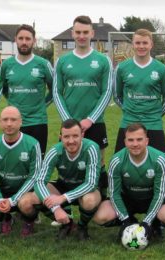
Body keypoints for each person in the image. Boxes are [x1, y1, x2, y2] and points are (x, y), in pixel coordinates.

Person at [53, 15, 112, 197]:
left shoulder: (103, 60)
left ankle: (101, 200)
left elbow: (107, 92)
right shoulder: (63, 61)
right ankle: (67, 204)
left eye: (85, 32)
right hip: (70, 123)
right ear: (72, 33)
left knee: (99, 162)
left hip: (95, 123)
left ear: (92, 33)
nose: (81, 36)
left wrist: (90, 119)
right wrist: (69, 121)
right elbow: (57, 92)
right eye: (78, 32)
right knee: (67, 163)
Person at [94, 123, 165, 242]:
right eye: (131, 140)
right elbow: (114, 193)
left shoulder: (159, 159)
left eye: (139, 139)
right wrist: (125, 220)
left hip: (152, 197)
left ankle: (155, 224)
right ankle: (130, 222)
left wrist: (147, 222)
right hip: (127, 198)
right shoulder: (117, 160)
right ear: (125, 141)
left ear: (147, 141)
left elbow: (160, 194)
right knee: (100, 217)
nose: (135, 144)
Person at [0, 106, 42, 237]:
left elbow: (34, 177)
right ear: (0, 122)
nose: (9, 123)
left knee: (25, 204)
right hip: (4, 190)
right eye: (5, 119)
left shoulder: (33, 144)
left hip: (26, 191)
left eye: (13, 119)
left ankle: (28, 221)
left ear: (21, 122)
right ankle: (6, 218)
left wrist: (13, 200)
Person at [31, 119, 102, 240]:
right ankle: (68, 223)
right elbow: (39, 181)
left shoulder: (92, 148)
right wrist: (56, 208)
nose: (71, 141)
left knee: (89, 201)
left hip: (86, 188)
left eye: (75, 136)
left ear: (82, 135)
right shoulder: (55, 151)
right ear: (61, 137)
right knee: (34, 197)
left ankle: (82, 226)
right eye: (66, 137)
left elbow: (91, 183)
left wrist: (63, 198)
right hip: (64, 185)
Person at [113, 28, 165, 153]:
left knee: (158, 164)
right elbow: (117, 95)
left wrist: (156, 114)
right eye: (138, 43)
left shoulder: (161, 69)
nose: (141, 46)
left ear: (151, 44)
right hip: (128, 123)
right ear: (133, 44)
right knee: (121, 164)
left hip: (153, 124)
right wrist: (128, 109)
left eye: (145, 43)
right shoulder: (122, 68)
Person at [1, 24, 53, 154]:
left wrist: (42, 104)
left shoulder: (43, 64)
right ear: (16, 40)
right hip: (13, 122)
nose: (24, 42)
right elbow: (4, 88)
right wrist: (13, 102)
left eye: (28, 39)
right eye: (21, 38)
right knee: (15, 162)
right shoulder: (7, 64)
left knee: (37, 161)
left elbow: (54, 90)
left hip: (37, 121)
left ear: (34, 41)